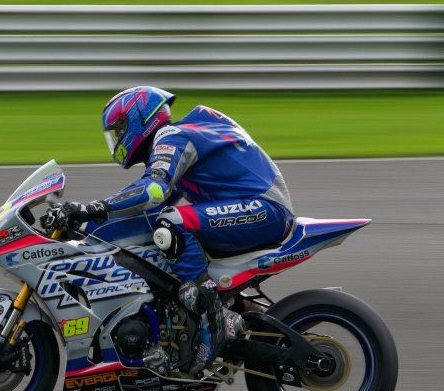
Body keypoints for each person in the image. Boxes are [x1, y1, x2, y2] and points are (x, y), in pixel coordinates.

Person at [45, 86, 296, 374]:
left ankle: (211, 317)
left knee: (172, 224)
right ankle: (225, 313)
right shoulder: (178, 141)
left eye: (118, 130)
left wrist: (91, 208)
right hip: (254, 210)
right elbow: (148, 206)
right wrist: (89, 226)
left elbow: (152, 190)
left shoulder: (171, 136)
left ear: (138, 120)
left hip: (263, 210)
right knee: (161, 226)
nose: (116, 140)